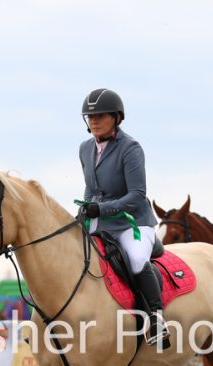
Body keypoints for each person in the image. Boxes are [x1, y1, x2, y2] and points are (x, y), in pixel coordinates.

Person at [78, 87, 168, 347]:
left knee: (137, 259)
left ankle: (156, 318)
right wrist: (85, 209)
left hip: (133, 223)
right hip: (101, 223)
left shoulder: (130, 148)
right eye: (90, 116)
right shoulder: (85, 148)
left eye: (100, 116)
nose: (94, 121)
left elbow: (137, 195)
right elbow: (91, 189)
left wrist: (101, 209)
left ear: (116, 117)